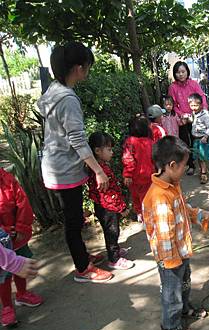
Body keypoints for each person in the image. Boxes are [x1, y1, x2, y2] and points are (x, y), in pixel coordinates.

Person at [38, 42, 112, 283]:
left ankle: (82, 255)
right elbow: (78, 140)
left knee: (75, 217)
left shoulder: (54, 90)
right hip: (63, 170)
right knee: (73, 221)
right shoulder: (67, 99)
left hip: (56, 165)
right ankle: (83, 269)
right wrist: (99, 170)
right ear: (79, 68)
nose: (88, 70)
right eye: (87, 66)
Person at [142, 136, 209, 330]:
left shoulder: (172, 184)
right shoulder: (159, 196)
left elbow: (184, 210)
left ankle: (184, 310)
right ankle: (170, 327)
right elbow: (164, 236)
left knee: (184, 284)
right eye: (185, 165)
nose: (186, 169)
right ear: (172, 165)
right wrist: (174, 262)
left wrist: (201, 215)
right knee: (171, 293)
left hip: (180, 251)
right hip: (170, 258)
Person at [0, 168, 43, 327]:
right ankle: (6, 306)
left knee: (21, 264)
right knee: (3, 276)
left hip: (17, 236)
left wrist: (21, 227)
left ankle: (22, 293)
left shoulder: (8, 179)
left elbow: (22, 202)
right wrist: (3, 231)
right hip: (2, 241)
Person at [87, 132, 134, 270]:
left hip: (103, 206)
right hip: (108, 208)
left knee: (111, 231)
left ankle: (115, 250)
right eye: (109, 149)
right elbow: (109, 195)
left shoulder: (97, 167)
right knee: (112, 232)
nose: (112, 152)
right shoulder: (101, 171)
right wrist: (122, 207)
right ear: (97, 151)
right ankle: (114, 259)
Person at [168, 61, 208, 176]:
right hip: (183, 120)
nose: (180, 74)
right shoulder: (173, 87)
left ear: (187, 72)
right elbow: (173, 105)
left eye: (183, 71)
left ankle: (203, 167)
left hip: (197, 117)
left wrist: (202, 111)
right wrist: (182, 115)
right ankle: (190, 164)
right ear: (175, 74)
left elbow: (202, 97)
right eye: (178, 72)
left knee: (198, 141)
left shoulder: (193, 84)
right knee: (185, 142)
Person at [122, 116, 154, 221]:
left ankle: (141, 214)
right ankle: (149, 215)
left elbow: (128, 159)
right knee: (148, 196)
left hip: (135, 177)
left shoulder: (130, 142)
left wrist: (127, 174)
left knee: (136, 196)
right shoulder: (150, 142)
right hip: (149, 175)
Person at [189, 93, 209, 184]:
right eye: (191, 105)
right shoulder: (193, 113)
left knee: (202, 157)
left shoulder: (205, 115)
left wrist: (206, 136)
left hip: (203, 139)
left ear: (201, 104)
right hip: (195, 138)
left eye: (196, 105)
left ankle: (204, 174)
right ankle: (202, 170)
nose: (194, 107)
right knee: (198, 157)